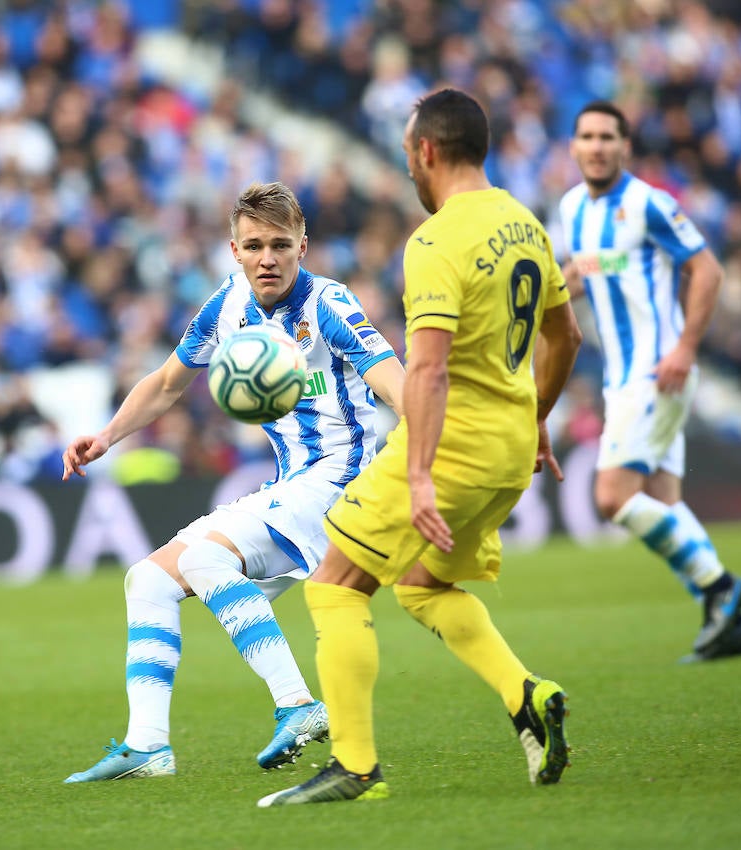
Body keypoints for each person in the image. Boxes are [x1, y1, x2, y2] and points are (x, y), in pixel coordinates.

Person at [259, 88, 584, 807]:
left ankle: (355, 766)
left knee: (334, 585)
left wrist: (419, 473)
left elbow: (428, 368)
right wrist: (537, 419)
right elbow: (567, 337)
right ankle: (525, 695)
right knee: (422, 584)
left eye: (409, 152)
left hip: (451, 449)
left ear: (427, 151)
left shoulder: (436, 242)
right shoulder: (524, 223)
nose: (408, 164)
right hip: (507, 452)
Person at [62, 182, 405, 782]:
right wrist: (108, 436)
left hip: (341, 479)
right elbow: (169, 382)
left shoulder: (330, 304)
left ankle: (298, 705)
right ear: (234, 250)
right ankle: (148, 747)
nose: (267, 257)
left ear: (304, 245)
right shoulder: (227, 307)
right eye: (254, 246)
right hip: (293, 481)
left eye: (280, 244)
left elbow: (394, 383)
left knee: (203, 563)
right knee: (146, 580)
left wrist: (428, 454)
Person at [557, 101, 741, 663]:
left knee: (612, 496)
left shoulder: (649, 204)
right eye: (587, 136)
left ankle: (720, 587)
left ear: (624, 146)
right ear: (573, 146)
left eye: (607, 137)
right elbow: (587, 271)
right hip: (622, 379)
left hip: (657, 371)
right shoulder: (572, 209)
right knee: (661, 501)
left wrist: (686, 347)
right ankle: (726, 618)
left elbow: (707, 268)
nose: (596, 146)